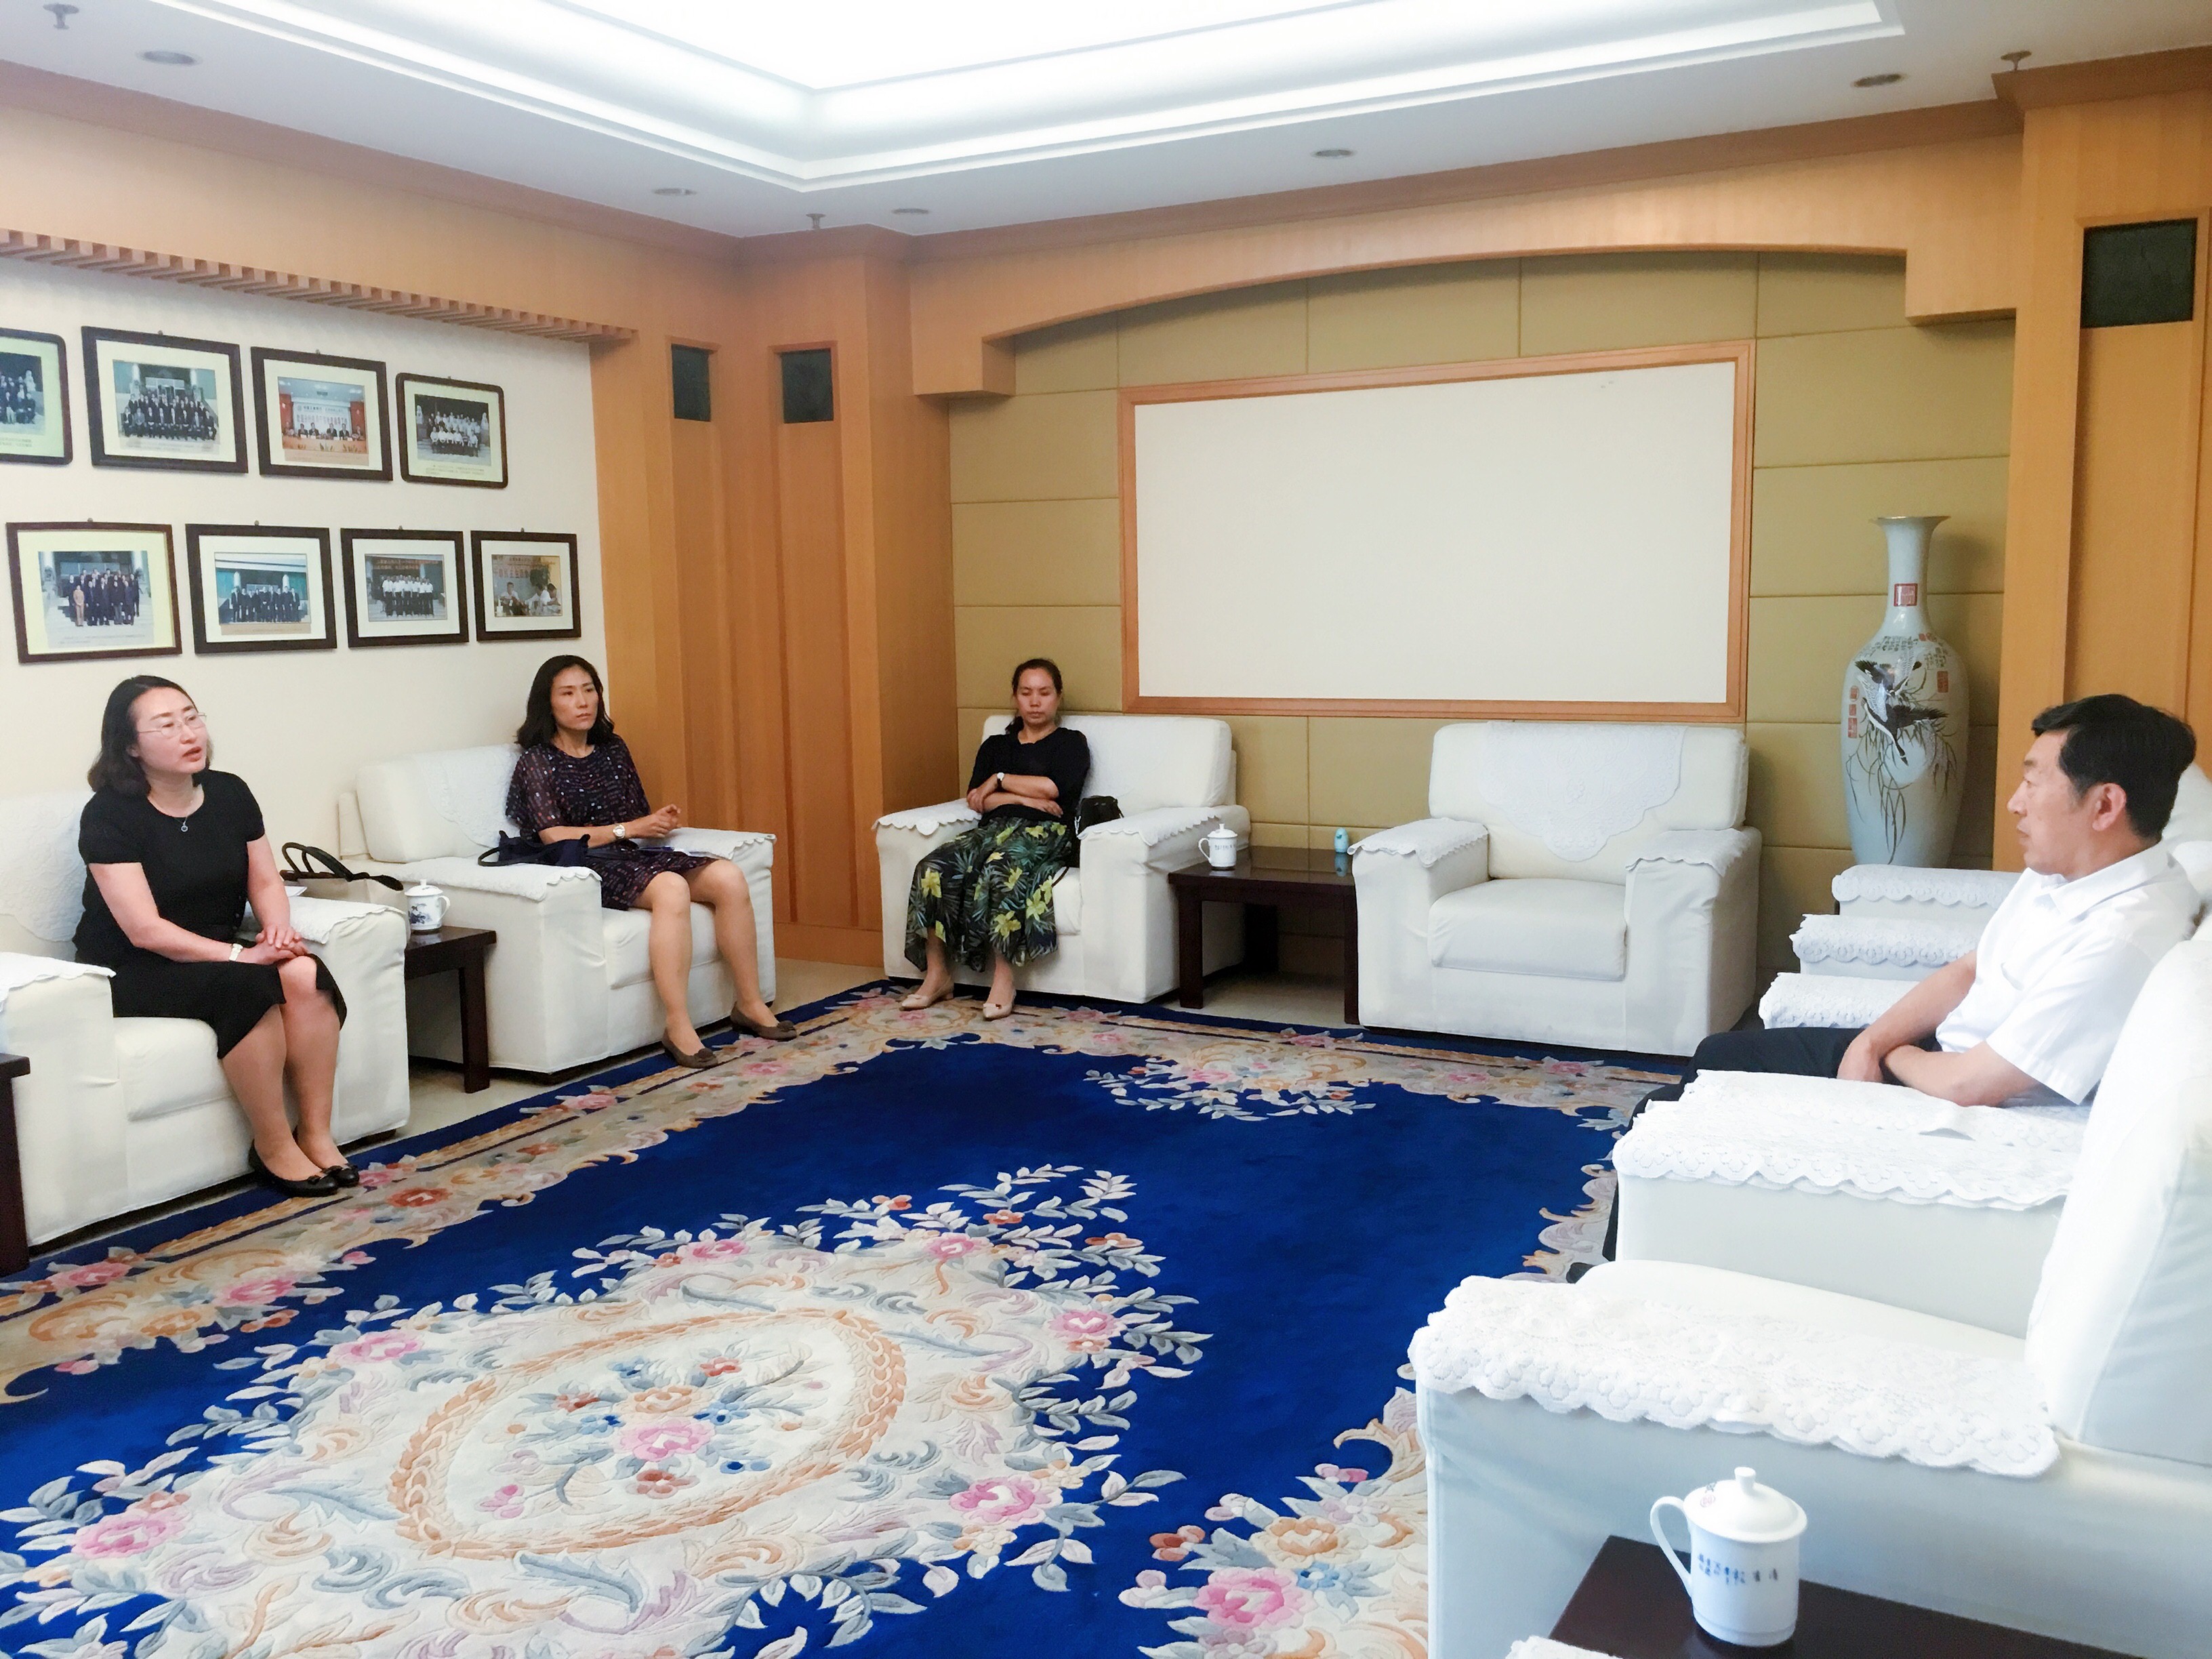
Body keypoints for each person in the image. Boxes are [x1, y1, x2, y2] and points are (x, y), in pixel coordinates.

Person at [1654, 694, 2200, 1111]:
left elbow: (1972, 1084)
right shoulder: (2071, 868)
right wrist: (1873, 1041)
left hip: (1951, 1095)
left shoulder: (2123, 938)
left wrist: (1887, 1053)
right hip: (1932, 1056)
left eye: (2034, 784)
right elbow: (1971, 969)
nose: (2015, 804)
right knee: (1716, 1056)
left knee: (1679, 1103)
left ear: (2105, 806)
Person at [75, 677, 354, 1197]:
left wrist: (277, 930)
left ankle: (316, 1133)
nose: (188, 734)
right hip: (132, 967)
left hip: (216, 951)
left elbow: (264, 880)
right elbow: (144, 930)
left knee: (303, 972)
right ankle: (273, 1147)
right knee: (248, 984)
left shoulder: (229, 792)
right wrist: (239, 956)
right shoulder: (109, 814)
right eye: (166, 726)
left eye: (192, 717)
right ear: (130, 747)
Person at [505, 654, 793, 1067]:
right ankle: (678, 1025)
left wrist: (656, 823)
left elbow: (636, 818)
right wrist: (631, 829)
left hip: (630, 855)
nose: (582, 702)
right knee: (671, 888)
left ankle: (749, 1003)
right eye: (568, 694)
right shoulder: (537, 760)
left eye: (589, 690)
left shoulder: (613, 749)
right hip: (582, 866)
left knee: (729, 877)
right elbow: (554, 836)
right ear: (547, 705)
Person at [900, 658, 1090, 1021]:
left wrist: (999, 780)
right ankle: (937, 976)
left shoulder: (1071, 743)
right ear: (1015, 697)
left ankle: (1004, 980)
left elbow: (1052, 789)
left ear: (1058, 697)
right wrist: (1021, 797)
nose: (1035, 701)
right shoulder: (995, 745)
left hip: (1045, 832)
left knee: (1002, 868)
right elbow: (978, 800)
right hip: (992, 829)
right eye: (1026, 693)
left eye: (1044, 693)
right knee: (932, 867)